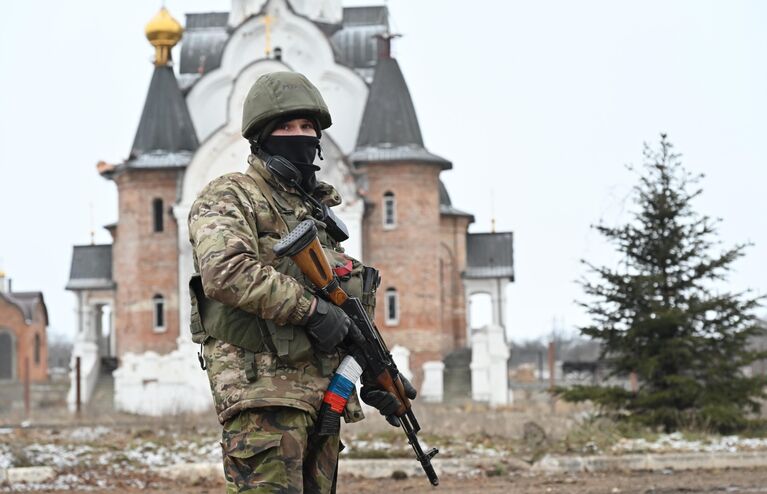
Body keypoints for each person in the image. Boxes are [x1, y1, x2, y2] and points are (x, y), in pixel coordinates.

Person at [187, 71, 416, 493]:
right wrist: (309, 310)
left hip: (324, 399)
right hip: (264, 396)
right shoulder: (230, 195)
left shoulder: (318, 214)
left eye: (307, 127)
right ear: (261, 137)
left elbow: (345, 311)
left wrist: (376, 370)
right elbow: (226, 271)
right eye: (286, 127)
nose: (299, 135)